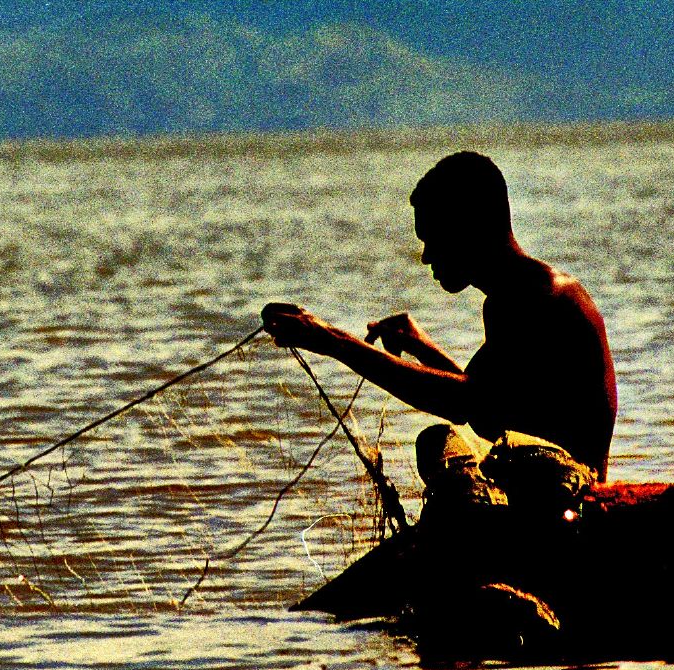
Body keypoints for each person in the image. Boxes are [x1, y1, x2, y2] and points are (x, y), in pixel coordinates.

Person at [261, 150, 617, 483]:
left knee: (441, 444)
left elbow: (464, 403)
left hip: (566, 486)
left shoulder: (539, 297)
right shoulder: (515, 294)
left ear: (471, 227)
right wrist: (423, 347)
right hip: (542, 476)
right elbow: (490, 405)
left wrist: (332, 341)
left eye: (434, 239)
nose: (427, 257)